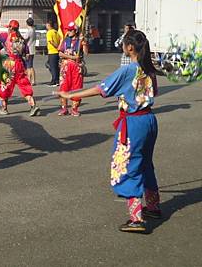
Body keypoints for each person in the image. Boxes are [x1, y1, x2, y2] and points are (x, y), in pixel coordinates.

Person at [58, 30, 161, 233]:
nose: (122, 46)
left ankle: (136, 218)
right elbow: (153, 92)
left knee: (127, 165)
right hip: (149, 120)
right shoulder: (148, 69)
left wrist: (70, 95)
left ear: (130, 47)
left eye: (124, 43)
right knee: (145, 163)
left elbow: (101, 89)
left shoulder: (128, 70)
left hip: (133, 123)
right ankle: (153, 207)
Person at [0, 20, 40, 117]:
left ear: (11, 28)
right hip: (19, 64)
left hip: (9, 63)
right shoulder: (22, 39)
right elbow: (26, 54)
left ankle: (4, 108)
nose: (8, 29)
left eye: (8, 27)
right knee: (24, 84)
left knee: (4, 85)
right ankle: (33, 106)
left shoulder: (6, 36)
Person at [57, 22, 88, 116]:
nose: (69, 32)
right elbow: (60, 53)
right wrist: (72, 57)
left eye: (71, 30)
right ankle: (64, 108)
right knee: (63, 87)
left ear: (76, 31)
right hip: (65, 66)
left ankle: (74, 109)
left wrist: (84, 44)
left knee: (77, 88)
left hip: (77, 67)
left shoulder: (80, 41)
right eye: (68, 30)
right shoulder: (65, 40)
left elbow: (86, 53)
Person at [46, 20, 62, 86]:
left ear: (49, 25)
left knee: (52, 66)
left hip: (52, 51)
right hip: (56, 52)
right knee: (56, 67)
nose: (46, 26)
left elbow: (51, 41)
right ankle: (57, 80)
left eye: (46, 25)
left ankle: (54, 80)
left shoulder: (49, 32)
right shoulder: (56, 32)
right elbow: (60, 40)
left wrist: (56, 47)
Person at [24, 18, 37, 85]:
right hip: (32, 49)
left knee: (29, 66)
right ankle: (33, 80)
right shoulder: (34, 30)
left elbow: (25, 39)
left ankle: (29, 80)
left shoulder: (29, 31)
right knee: (31, 65)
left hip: (28, 50)